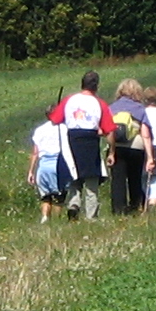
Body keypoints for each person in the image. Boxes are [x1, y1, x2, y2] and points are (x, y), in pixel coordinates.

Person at [53, 70, 112, 220]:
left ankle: (74, 204)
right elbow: (109, 130)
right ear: (96, 86)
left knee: (74, 175)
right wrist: (112, 151)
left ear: (82, 83)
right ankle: (91, 216)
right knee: (92, 180)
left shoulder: (69, 100)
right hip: (90, 140)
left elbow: (55, 120)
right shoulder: (100, 103)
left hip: (72, 139)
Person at [105, 78, 156, 216]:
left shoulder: (111, 108)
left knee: (118, 180)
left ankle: (118, 209)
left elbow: (108, 130)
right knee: (136, 177)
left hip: (117, 147)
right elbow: (145, 134)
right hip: (136, 147)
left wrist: (111, 150)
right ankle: (136, 205)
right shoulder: (140, 109)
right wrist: (150, 156)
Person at [27, 106, 69, 223]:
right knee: (59, 196)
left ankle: (45, 217)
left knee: (46, 197)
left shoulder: (40, 130)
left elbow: (35, 152)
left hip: (43, 166)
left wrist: (31, 171)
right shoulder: (65, 129)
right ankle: (57, 220)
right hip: (59, 164)